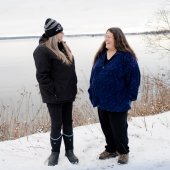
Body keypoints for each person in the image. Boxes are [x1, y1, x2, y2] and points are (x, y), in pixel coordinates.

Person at [88, 27, 140, 164]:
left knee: (119, 129)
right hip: (102, 99)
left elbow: (134, 78)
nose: (107, 39)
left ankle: (123, 151)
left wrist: (130, 96)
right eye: (106, 36)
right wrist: (91, 90)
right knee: (106, 127)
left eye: (109, 37)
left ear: (118, 38)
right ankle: (111, 149)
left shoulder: (126, 57)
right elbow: (94, 74)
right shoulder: (101, 55)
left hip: (118, 100)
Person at [33, 18, 79, 166]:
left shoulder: (63, 47)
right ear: (54, 34)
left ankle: (69, 151)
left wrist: (73, 86)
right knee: (56, 124)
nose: (63, 34)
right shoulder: (42, 50)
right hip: (54, 96)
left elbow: (70, 71)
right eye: (60, 31)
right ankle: (55, 153)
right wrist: (53, 92)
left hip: (67, 94)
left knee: (68, 122)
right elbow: (42, 76)